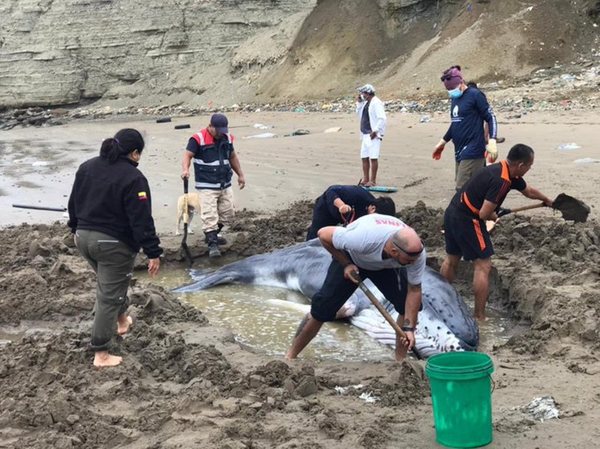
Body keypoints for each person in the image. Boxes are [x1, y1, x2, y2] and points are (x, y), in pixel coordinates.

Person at [67, 128, 162, 368]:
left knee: (110, 284)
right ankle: (101, 353)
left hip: (83, 238)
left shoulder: (87, 167)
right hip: (112, 245)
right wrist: (153, 252)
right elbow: (141, 220)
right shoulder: (134, 179)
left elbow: (73, 204)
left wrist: (76, 228)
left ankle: (122, 322)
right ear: (135, 153)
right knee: (108, 296)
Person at [286, 213, 426, 361]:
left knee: (406, 306)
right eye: (409, 261)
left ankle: (401, 363)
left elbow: (414, 289)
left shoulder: (416, 255)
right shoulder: (362, 238)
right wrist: (345, 264)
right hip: (353, 258)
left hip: (386, 267)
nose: (413, 263)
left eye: (414, 260)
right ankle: (290, 356)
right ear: (394, 251)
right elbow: (323, 234)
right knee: (322, 308)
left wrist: (409, 329)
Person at [440, 143, 553, 321]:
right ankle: (479, 317)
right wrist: (494, 216)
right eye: (529, 166)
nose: (529, 169)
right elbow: (484, 213)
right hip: (468, 220)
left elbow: (528, 191)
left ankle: (440, 304)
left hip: (452, 212)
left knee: (451, 259)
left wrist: (547, 200)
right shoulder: (502, 181)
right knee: (483, 265)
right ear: (521, 165)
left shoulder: (502, 169)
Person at [181, 113, 246, 258]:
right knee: (209, 214)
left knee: (228, 212)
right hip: (206, 184)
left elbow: (232, 156)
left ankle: (213, 235)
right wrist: (185, 169)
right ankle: (212, 244)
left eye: (223, 130)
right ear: (210, 126)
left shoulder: (227, 138)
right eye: (218, 130)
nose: (220, 134)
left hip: (224, 182)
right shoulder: (198, 139)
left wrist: (240, 175)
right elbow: (187, 155)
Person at [433, 66, 499, 190]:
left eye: (453, 88)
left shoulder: (475, 95)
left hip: (473, 149)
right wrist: (442, 142)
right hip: (459, 150)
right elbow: (456, 123)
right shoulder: (455, 98)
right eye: (449, 89)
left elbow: (491, 117)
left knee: (462, 188)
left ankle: (481, 208)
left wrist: (492, 140)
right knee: (476, 187)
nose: (451, 91)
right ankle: (489, 207)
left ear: (461, 82)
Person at [306, 185, 396, 240]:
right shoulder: (358, 194)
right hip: (327, 208)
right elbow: (331, 190)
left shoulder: (371, 215)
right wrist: (341, 205)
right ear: (372, 208)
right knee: (317, 234)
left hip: (348, 218)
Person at [356, 84, 387, 187]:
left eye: (363, 93)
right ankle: (366, 179)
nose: (362, 95)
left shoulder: (376, 103)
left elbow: (382, 118)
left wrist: (376, 130)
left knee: (373, 157)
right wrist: (359, 102)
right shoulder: (365, 103)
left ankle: (372, 180)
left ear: (368, 93)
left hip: (372, 134)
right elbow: (358, 113)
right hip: (365, 133)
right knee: (364, 157)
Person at [466, 81, 506, 146]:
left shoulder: (465, 94)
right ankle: (488, 137)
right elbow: (485, 107)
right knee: (489, 119)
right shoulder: (478, 93)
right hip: (477, 112)